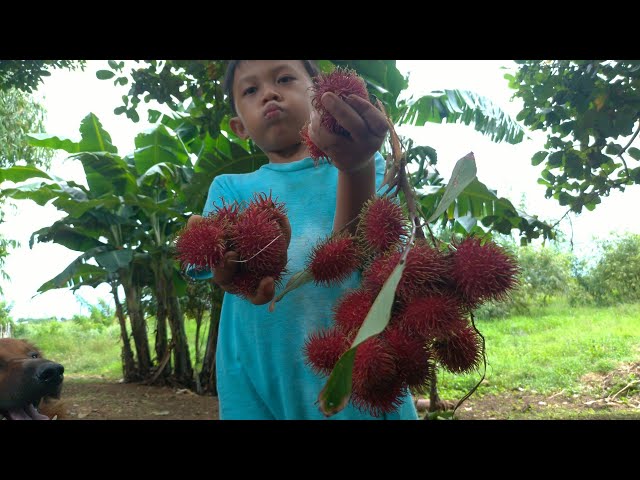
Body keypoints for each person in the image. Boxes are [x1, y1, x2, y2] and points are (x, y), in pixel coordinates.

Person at [187, 60, 418, 420]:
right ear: (239, 127)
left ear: (319, 97)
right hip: (257, 380)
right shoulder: (229, 187)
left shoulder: (370, 169)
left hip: (358, 375)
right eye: (250, 90)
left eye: (284, 78)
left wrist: (355, 166)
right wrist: (228, 271)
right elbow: (216, 262)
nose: (270, 93)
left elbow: (357, 251)